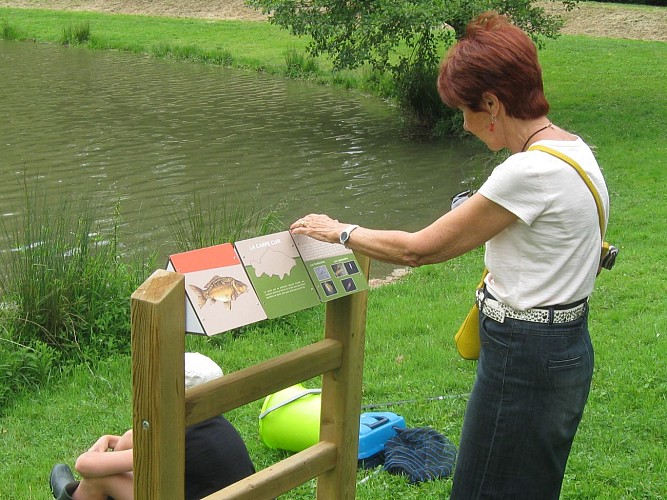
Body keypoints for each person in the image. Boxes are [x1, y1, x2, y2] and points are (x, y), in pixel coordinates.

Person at [290, 11, 608, 499]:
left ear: (492, 103)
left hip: (524, 354)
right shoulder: (575, 152)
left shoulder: (528, 172)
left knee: (483, 489)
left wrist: (338, 232)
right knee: (530, 483)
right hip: (564, 346)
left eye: (465, 110)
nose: (463, 124)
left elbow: (419, 250)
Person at [49, 353, 256, 500]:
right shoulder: (210, 423)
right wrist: (108, 440)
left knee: (100, 479)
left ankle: (75, 494)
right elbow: (135, 439)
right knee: (126, 446)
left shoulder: (173, 440)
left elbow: (84, 465)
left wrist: (98, 458)